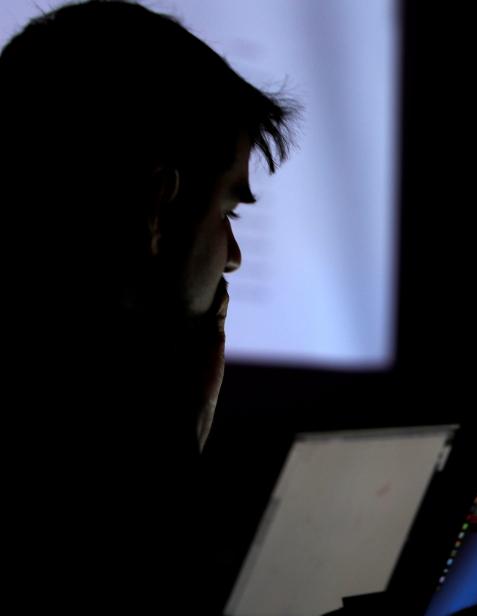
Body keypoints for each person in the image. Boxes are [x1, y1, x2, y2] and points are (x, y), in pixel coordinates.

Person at [0, 0, 298, 609]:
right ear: (157, 210)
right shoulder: (85, 467)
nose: (234, 254)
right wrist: (176, 432)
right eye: (228, 211)